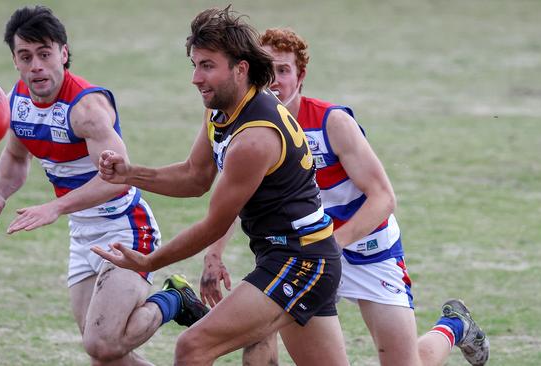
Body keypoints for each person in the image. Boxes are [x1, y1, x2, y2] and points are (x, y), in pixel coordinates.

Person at [199, 28, 490, 366]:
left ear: (301, 75)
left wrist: (332, 244)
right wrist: (214, 254)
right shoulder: (247, 126)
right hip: (302, 254)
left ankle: (454, 327)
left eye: (284, 70)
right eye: (269, 69)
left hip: (367, 248)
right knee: (261, 338)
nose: (275, 80)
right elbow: (235, 195)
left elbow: (382, 197)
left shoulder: (330, 121)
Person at [93, 6, 350, 366]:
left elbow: (214, 224)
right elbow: (195, 177)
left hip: (300, 261)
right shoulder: (223, 109)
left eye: (208, 65)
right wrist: (130, 173)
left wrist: (150, 261)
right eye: (195, 65)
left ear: (240, 68)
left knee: (192, 348)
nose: (196, 78)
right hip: (293, 257)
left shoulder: (255, 138)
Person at [0, 6, 208, 365]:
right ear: (15, 61)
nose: (36, 66)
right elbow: (16, 157)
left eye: (44, 54)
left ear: (63, 54)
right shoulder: (18, 103)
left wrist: (54, 206)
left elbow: (117, 181)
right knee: (107, 358)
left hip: (125, 227)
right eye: (26, 57)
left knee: (100, 344)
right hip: (82, 233)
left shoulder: (87, 108)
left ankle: (175, 298)